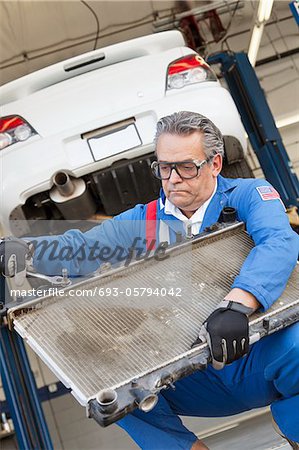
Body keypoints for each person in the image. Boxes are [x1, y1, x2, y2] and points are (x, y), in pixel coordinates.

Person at [1, 111, 299, 449]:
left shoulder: (246, 195)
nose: (173, 179)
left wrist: (238, 305)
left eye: (187, 167)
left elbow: (278, 241)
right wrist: (23, 250)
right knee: (108, 391)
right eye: (164, 168)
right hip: (199, 376)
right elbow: (82, 247)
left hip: (257, 354)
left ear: (215, 164)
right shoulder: (146, 222)